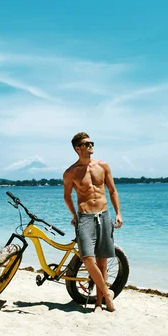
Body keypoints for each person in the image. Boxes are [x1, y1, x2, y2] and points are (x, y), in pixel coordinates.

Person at [63, 132, 123, 312]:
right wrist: (75, 214)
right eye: (86, 144)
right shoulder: (70, 172)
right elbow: (67, 197)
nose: (90, 146)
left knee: (102, 261)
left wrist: (118, 213)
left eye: (91, 143)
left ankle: (99, 303)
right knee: (88, 258)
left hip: (104, 215)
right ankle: (107, 293)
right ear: (77, 148)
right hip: (85, 217)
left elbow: (112, 191)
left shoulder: (103, 166)